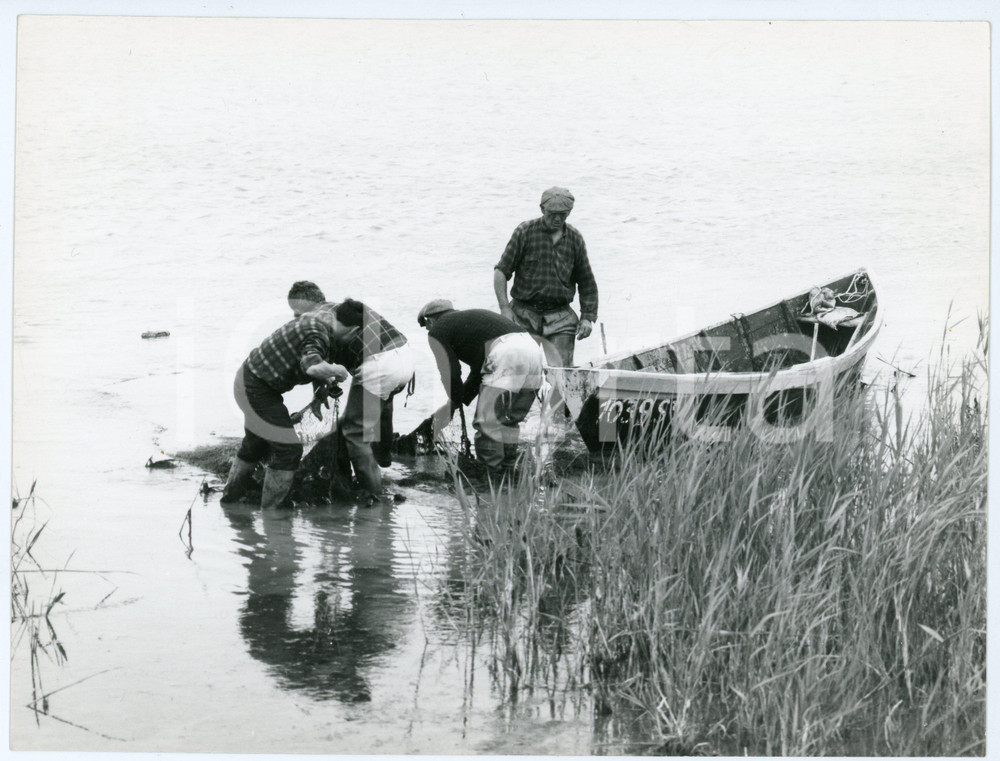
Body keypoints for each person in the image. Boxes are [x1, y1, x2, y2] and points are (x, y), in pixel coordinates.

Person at [221, 305, 350, 509]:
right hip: (255, 389)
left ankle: (229, 499)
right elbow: (312, 365)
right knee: (288, 449)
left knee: (256, 443)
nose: (349, 339)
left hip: (247, 379)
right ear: (345, 327)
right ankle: (272, 513)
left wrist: (320, 392)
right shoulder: (319, 334)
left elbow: (314, 362)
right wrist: (338, 370)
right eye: (351, 333)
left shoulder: (316, 321)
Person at [417, 299, 544, 470]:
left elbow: (450, 370)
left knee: (488, 423)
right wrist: (461, 398)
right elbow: (479, 371)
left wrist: (454, 397)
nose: (428, 331)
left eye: (427, 326)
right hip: (533, 351)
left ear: (430, 321)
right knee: (509, 419)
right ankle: (508, 469)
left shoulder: (438, 330)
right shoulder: (470, 322)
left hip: (505, 354)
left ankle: (490, 474)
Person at [494, 186, 599, 377]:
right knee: (519, 374)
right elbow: (501, 271)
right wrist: (504, 308)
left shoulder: (575, 239)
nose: (557, 219)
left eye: (563, 214)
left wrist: (587, 317)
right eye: (552, 214)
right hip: (523, 313)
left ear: (569, 213)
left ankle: (558, 406)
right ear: (542, 210)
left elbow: (587, 282)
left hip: (560, 317)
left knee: (562, 377)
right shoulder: (524, 232)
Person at [327, 298, 414, 498]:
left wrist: (325, 386)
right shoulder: (349, 311)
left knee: (354, 431)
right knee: (382, 408)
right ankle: (383, 462)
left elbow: (328, 365)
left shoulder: (327, 328)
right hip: (405, 355)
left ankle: (375, 494)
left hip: (381, 364)